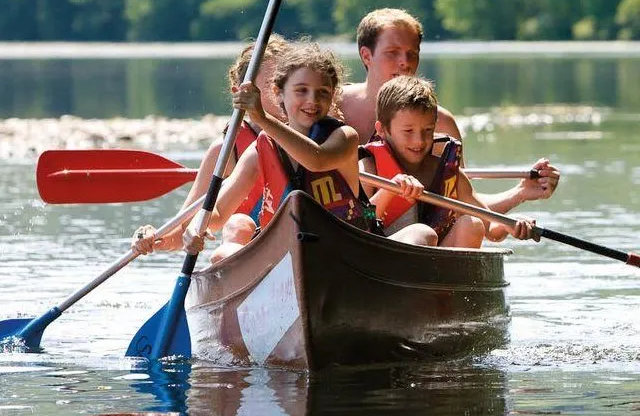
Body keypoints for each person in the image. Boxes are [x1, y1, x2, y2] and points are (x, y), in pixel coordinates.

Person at [339, 8, 560, 215]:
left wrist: (520, 192)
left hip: (411, 235)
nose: (405, 63)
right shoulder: (331, 106)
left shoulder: (441, 123)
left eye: (412, 53)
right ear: (366, 56)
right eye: (392, 53)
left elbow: (465, 204)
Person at [180, 42, 377, 257]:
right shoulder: (261, 149)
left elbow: (316, 160)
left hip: (342, 249)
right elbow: (218, 211)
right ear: (279, 92)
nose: (312, 100)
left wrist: (262, 119)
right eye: (301, 90)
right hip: (286, 253)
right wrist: (197, 226)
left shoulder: (344, 137)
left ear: (333, 95)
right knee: (223, 252)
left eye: (322, 92)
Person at [132, 35, 290, 259]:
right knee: (238, 224)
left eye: (285, 83)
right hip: (247, 249)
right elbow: (181, 232)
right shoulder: (224, 151)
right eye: (271, 84)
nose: (280, 91)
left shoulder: (309, 136)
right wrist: (151, 238)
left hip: (300, 240)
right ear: (240, 93)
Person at [360, 76, 538, 248]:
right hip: (384, 257)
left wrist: (512, 225)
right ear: (382, 130)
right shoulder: (369, 167)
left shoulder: (451, 176)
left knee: (472, 223)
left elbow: (490, 229)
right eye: (408, 131)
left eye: (428, 130)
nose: (419, 141)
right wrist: (387, 190)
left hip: (436, 267)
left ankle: (448, 278)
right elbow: (360, 221)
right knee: (422, 233)